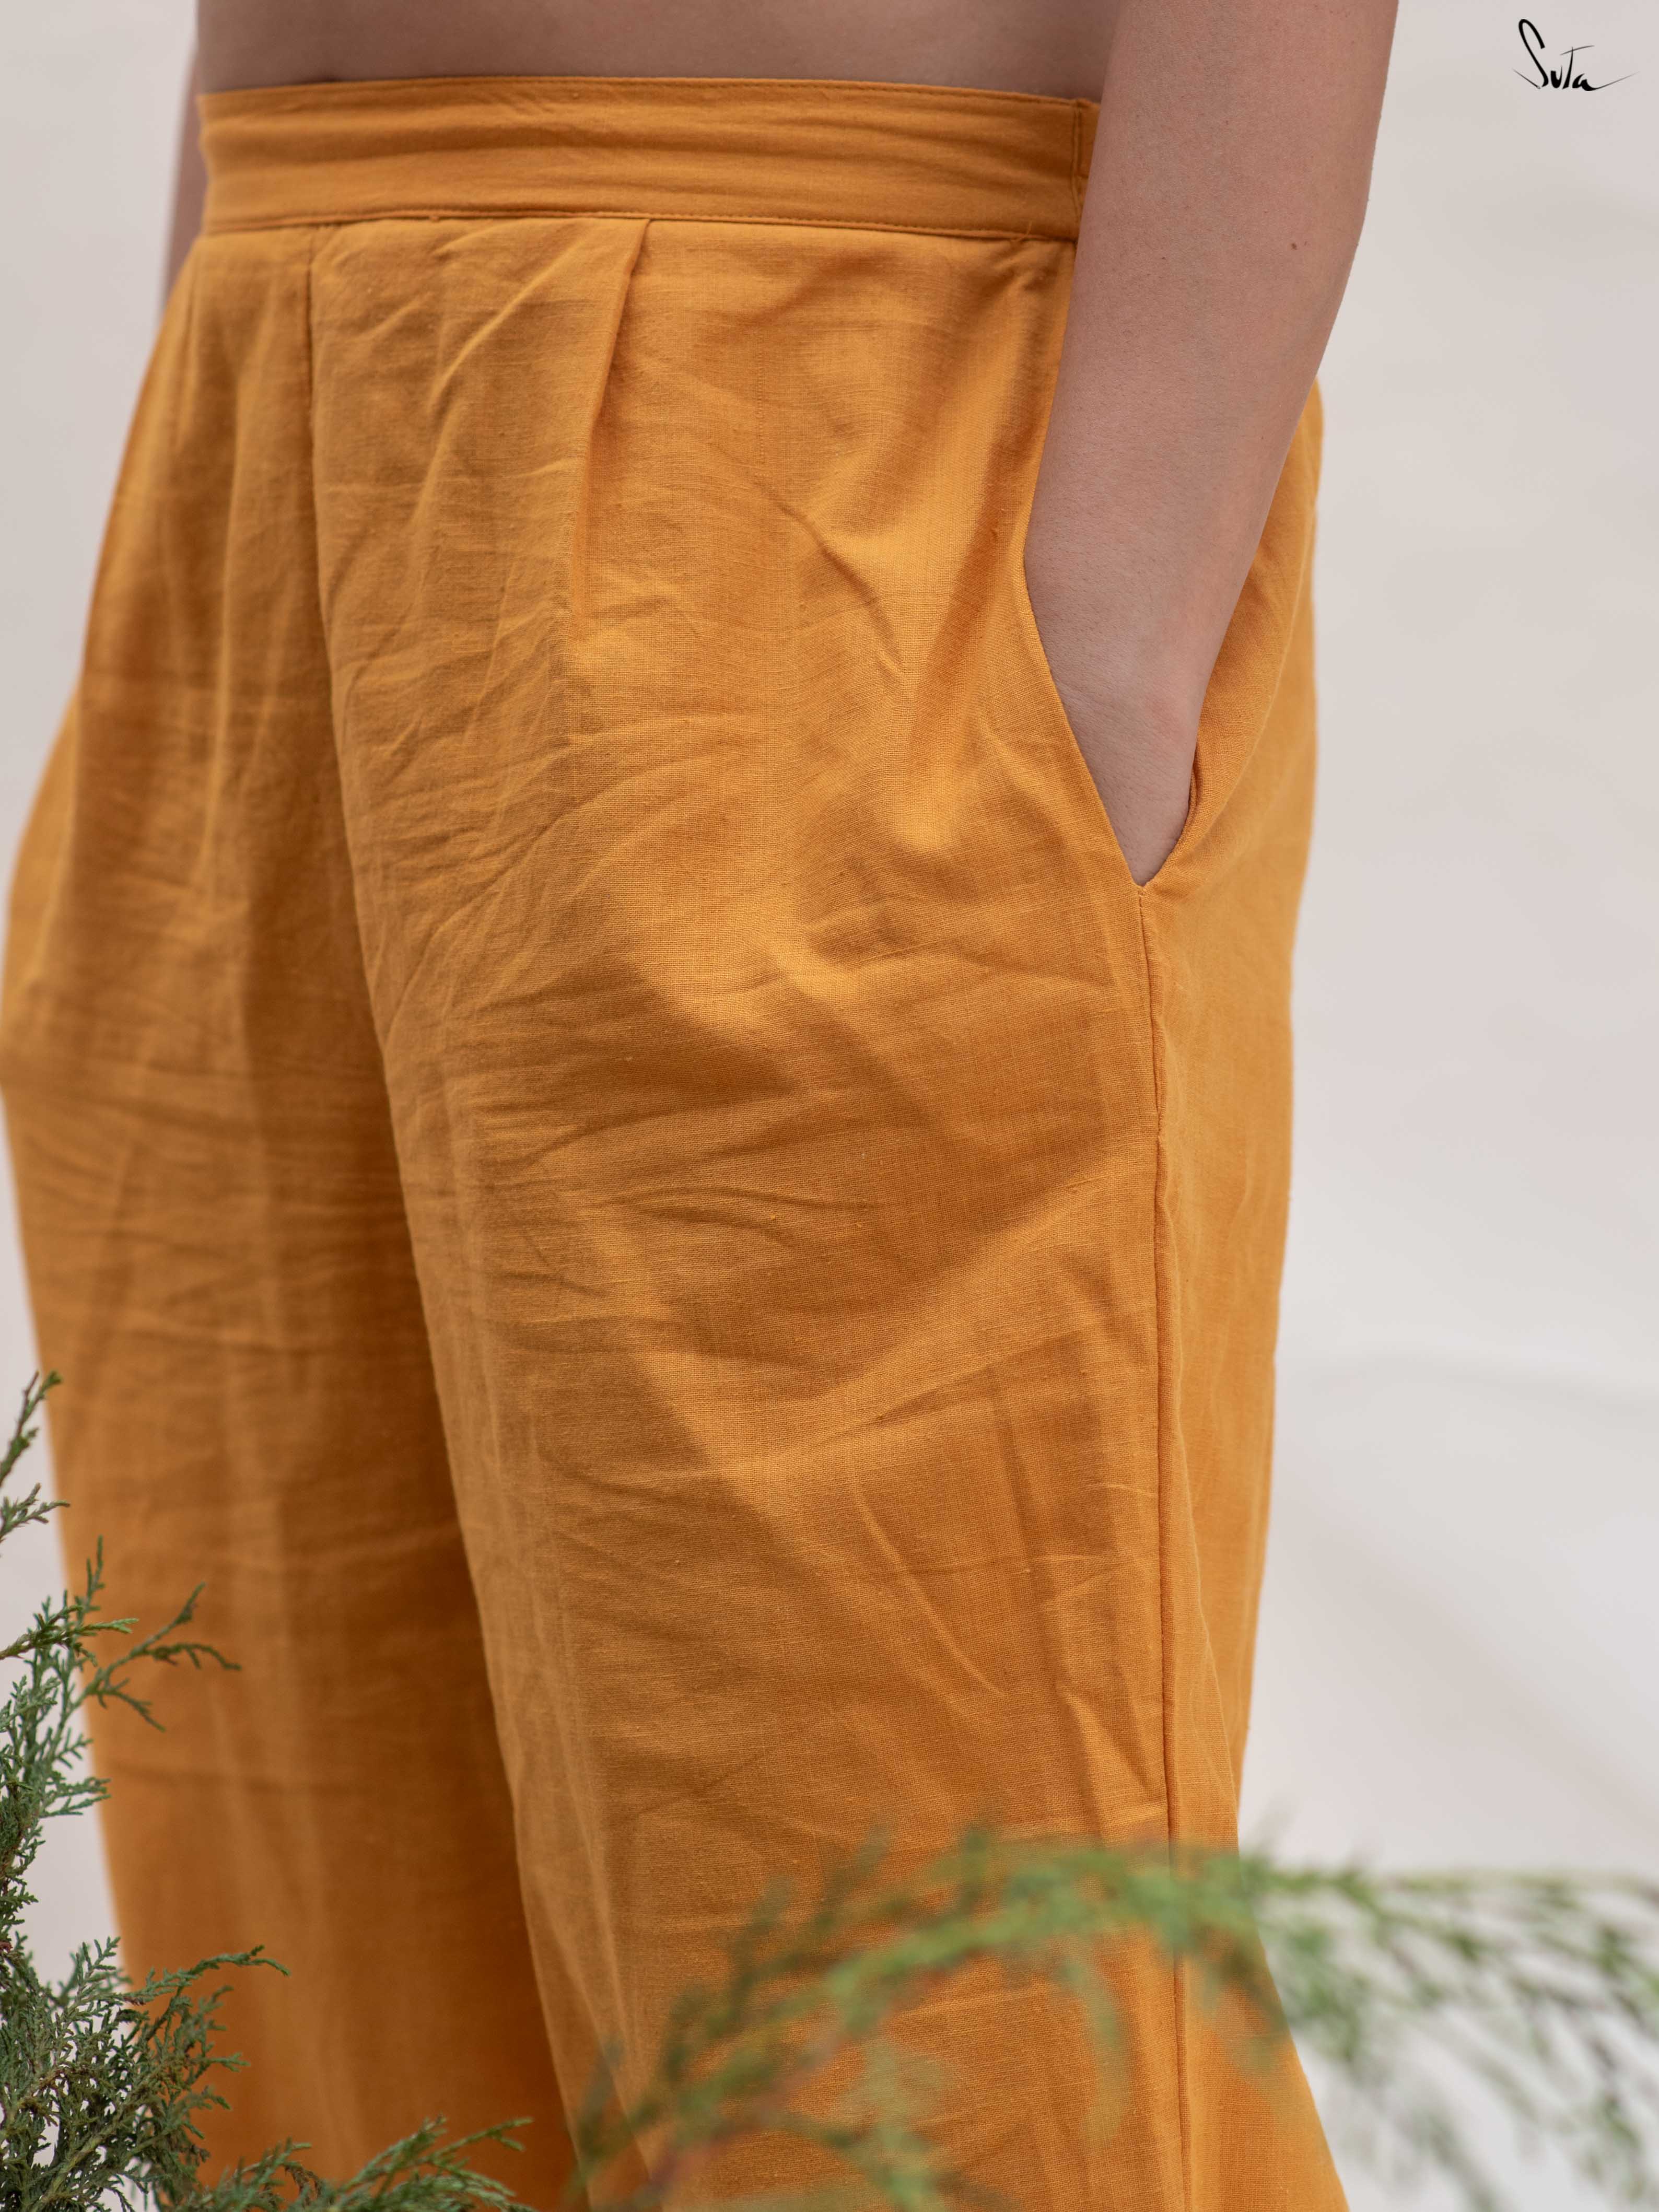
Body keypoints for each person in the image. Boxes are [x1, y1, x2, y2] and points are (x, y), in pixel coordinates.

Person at [0, 1, 1397, 2204]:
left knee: (897, 2034)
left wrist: (1102, 658)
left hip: (811, 431)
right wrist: (207, 428)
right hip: (271, 446)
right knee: (321, 1975)